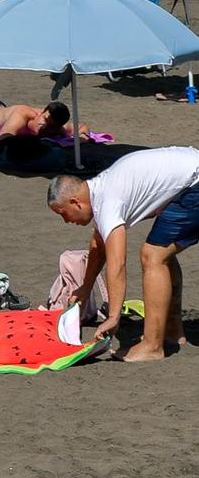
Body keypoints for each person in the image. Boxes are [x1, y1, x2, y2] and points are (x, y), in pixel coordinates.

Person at [46, 144, 199, 361]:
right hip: (190, 177)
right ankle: (172, 332)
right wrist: (85, 288)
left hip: (195, 183)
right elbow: (99, 247)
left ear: (75, 202)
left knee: (152, 255)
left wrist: (113, 316)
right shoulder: (98, 189)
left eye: (63, 214)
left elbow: (117, 263)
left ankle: (152, 346)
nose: (66, 221)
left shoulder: (107, 202)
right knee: (162, 252)